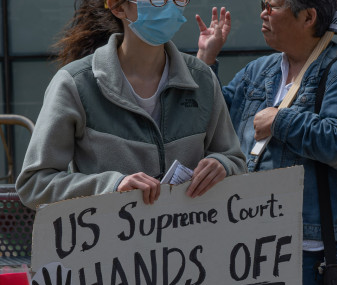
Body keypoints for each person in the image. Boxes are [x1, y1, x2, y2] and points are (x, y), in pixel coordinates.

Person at [195, 1, 337, 285]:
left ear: (308, 17)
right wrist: (205, 60)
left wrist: (281, 121)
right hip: (249, 240)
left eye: (273, 6)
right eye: (262, 5)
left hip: (309, 249)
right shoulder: (260, 71)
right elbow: (210, 120)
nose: (263, 13)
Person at [15, 0, 246, 210]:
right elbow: (35, 185)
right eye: (156, 0)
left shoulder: (202, 79)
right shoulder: (75, 84)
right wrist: (112, 186)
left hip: (189, 249)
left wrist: (222, 164)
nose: (170, 7)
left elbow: (235, 159)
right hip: (108, 250)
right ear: (117, 7)